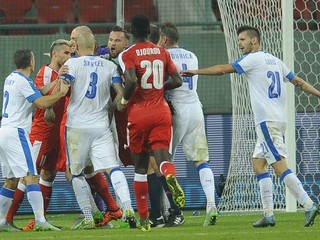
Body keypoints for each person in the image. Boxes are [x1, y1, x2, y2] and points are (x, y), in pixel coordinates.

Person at [181, 25, 320, 227]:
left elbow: (222, 70)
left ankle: (308, 205)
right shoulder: (276, 60)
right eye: (239, 41)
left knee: (280, 166)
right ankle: (268, 214)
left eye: (243, 40)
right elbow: (297, 81)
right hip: (279, 119)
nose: (240, 44)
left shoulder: (252, 60)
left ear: (254, 40)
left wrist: (195, 71)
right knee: (258, 164)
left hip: (267, 122)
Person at [118, 13, 184, 232]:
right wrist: (158, 89)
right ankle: (170, 174)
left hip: (138, 114)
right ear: (149, 32)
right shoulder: (162, 51)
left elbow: (131, 81)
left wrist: (125, 100)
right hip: (161, 112)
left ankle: (146, 219)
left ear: (130, 31)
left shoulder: (128, 53)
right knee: (163, 157)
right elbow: (177, 80)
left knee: (140, 167)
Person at [63, 32, 131, 229]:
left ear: (77, 45)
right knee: (113, 168)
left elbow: (63, 89)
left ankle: (88, 217)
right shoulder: (110, 66)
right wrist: (121, 102)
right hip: (101, 126)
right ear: (95, 47)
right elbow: (120, 92)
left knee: (76, 173)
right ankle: (127, 208)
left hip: (77, 126)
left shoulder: (72, 64)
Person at [5, 39, 72, 231]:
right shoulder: (41, 73)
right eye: (65, 53)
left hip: (52, 133)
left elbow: (38, 92)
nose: (68, 57)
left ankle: (36, 220)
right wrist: (58, 95)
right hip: (38, 132)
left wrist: (58, 81)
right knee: (27, 176)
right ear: (55, 54)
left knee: (47, 174)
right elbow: (41, 103)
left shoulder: (17, 78)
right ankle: (14, 218)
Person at [158, 22, 218, 227]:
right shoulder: (192, 55)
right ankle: (211, 204)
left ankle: (168, 210)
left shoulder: (163, 55)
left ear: (164, 39)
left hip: (175, 110)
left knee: (164, 162)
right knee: (201, 160)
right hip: (195, 108)